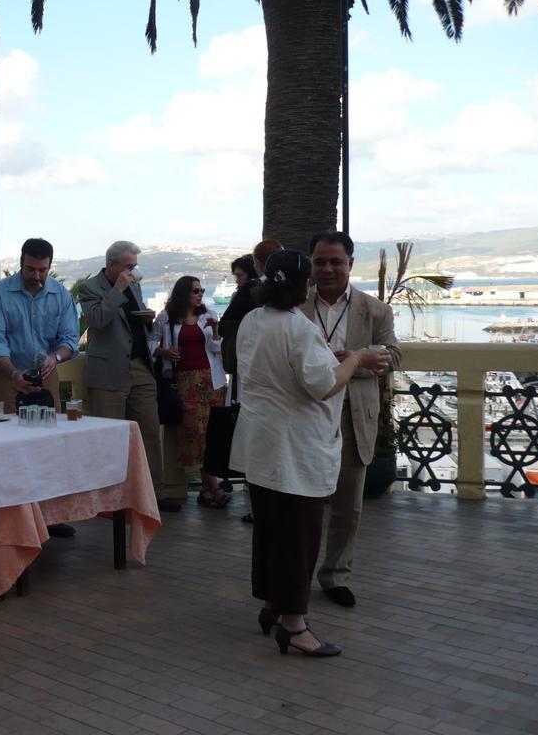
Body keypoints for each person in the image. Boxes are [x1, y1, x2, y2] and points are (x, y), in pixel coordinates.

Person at [229, 249, 389, 656]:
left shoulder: (252, 320)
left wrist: (329, 360)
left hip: (260, 442)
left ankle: (271, 603)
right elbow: (322, 386)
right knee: (299, 536)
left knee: (269, 531)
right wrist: (356, 358)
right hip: (295, 449)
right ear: (306, 286)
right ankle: (294, 625)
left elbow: (279, 369)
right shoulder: (298, 328)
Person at [302, 231, 402, 608]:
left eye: (335, 262)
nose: (327, 269)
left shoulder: (374, 309)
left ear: (349, 264)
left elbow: (393, 356)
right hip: (307, 416)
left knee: (349, 505)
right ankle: (299, 574)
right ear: (311, 264)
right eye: (320, 262)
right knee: (303, 503)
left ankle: (335, 575)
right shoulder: (296, 308)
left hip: (353, 415)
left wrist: (355, 360)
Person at [0, 237, 79, 537]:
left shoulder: (60, 295)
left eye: (42, 270)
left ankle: (50, 517)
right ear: (20, 262)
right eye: (31, 269)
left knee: (47, 446)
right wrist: (13, 375)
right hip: (5, 374)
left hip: (46, 375)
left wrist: (55, 357)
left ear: (50, 266)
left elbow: (70, 341)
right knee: (4, 446)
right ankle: (8, 519)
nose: (37, 276)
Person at [78, 241, 168, 510]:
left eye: (134, 266)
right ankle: (109, 499)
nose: (133, 272)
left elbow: (129, 322)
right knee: (109, 435)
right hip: (108, 370)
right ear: (112, 265)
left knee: (149, 431)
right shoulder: (90, 288)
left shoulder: (135, 285)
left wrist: (146, 318)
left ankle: (153, 495)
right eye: (129, 267)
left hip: (140, 366)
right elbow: (96, 320)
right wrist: (117, 291)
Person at [149, 276, 230, 508]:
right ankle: (212, 487)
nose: (200, 294)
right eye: (196, 290)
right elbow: (151, 341)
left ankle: (207, 490)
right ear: (184, 292)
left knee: (211, 433)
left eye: (202, 290)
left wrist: (215, 332)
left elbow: (217, 349)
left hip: (210, 380)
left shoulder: (209, 315)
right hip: (183, 381)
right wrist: (163, 352)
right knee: (196, 433)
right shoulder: (166, 318)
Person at [218, 239, 283, 524]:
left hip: (254, 375)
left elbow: (225, 325)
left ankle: (260, 505)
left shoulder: (251, 291)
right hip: (284, 376)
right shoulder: (293, 289)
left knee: (258, 439)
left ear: (257, 264)